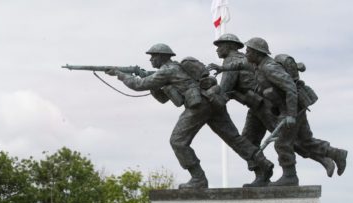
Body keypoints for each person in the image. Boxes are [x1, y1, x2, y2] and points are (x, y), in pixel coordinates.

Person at [106, 43, 274, 188]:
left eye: (153, 57)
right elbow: (163, 98)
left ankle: (198, 178)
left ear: (161, 57)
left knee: (178, 141)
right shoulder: (174, 68)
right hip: (212, 102)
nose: (150, 60)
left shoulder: (167, 70)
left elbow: (138, 85)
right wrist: (152, 82)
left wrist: (120, 75)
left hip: (198, 106)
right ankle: (263, 163)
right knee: (234, 138)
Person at [208, 34, 347, 181]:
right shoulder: (252, 62)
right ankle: (331, 155)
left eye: (220, 46)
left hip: (277, 107)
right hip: (260, 107)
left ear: (229, 46)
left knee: (285, 142)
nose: (217, 50)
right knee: (293, 140)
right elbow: (240, 66)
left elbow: (290, 88)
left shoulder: (267, 67)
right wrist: (222, 68)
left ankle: (290, 175)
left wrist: (290, 114)